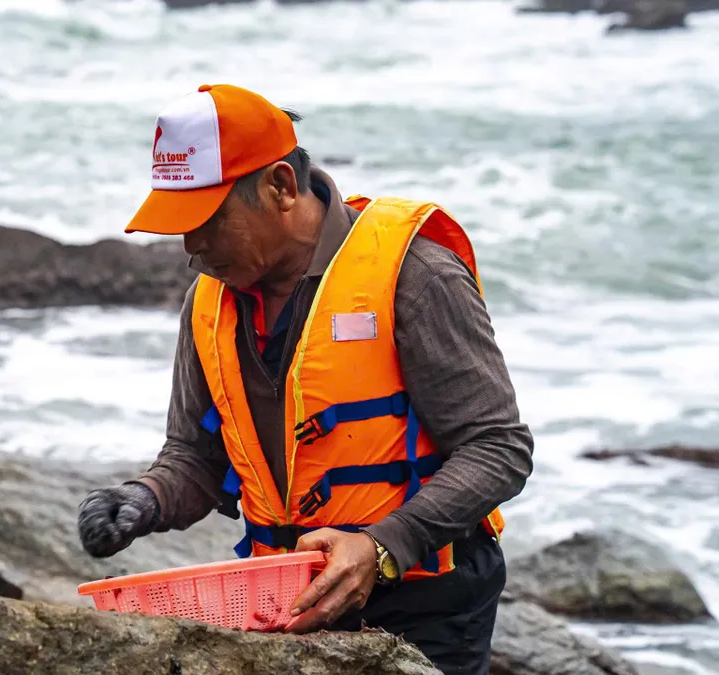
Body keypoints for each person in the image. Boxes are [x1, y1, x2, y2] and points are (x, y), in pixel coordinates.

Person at [76, 83, 535, 674]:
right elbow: (194, 455)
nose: (191, 247)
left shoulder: (413, 274)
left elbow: (499, 448)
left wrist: (381, 546)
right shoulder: (207, 302)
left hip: (427, 602)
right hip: (287, 603)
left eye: (207, 220)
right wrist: (144, 498)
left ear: (281, 187)